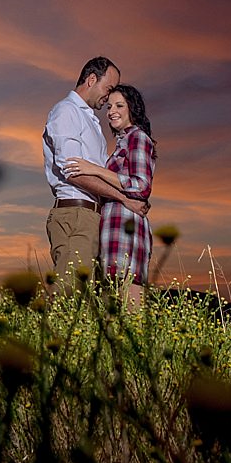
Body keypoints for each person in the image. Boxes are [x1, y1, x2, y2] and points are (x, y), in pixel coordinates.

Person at [42, 57, 147, 287]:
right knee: (70, 294)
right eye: (108, 89)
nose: (108, 97)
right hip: (75, 214)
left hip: (93, 217)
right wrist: (123, 198)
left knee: (88, 301)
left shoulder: (91, 121)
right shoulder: (67, 112)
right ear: (91, 80)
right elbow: (73, 172)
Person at [64, 84, 156, 307]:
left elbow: (142, 185)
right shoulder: (122, 142)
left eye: (119, 105)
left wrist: (94, 169)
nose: (112, 111)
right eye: (109, 106)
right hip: (113, 225)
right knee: (112, 303)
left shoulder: (138, 137)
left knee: (129, 299)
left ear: (132, 109)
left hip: (127, 226)